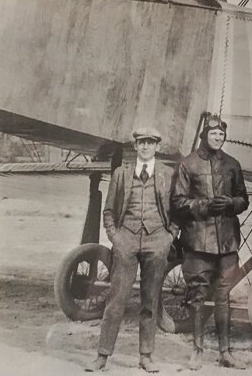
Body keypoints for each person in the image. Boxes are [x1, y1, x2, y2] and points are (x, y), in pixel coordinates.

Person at [86, 127, 177, 373]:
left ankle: (146, 356)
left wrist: (169, 237)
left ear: (157, 146)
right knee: (116, 300)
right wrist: (116, 238)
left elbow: (177, 211)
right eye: (141, 142)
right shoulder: (121, 174)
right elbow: (108, 211)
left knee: (150, 300)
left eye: (150, 142)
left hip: (157, 240)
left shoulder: (168, 174)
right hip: (126, 238)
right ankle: (102, 356)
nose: (146, 146)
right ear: (135, 146)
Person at [171, 114, 249, 370]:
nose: (218, 138)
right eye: (214, 134)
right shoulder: (188, 164)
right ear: (205, 135)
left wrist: (232, 203)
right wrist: (203, 206)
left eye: (222, 135)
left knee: (223, 296)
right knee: (196, 296)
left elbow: (243, 199)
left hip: (227, 243)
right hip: (197, 242)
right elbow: (178, 202)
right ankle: (197, 350)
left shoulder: (232, 164)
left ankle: (225, 352)